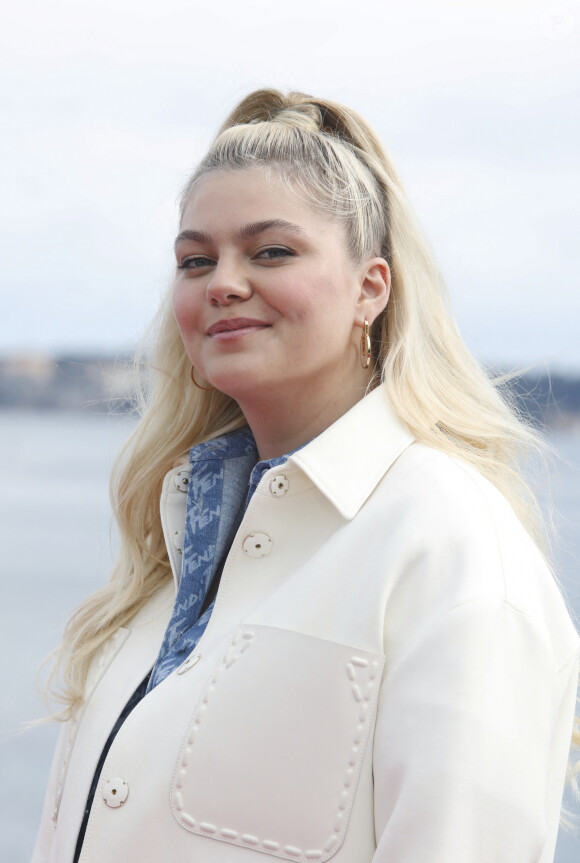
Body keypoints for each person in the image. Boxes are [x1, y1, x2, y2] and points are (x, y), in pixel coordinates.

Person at [33, 89, 579, 863]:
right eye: (196, 260)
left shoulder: (449, 545)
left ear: (371, 288)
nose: (222, 281)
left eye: (271, 251)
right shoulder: (176, 554)